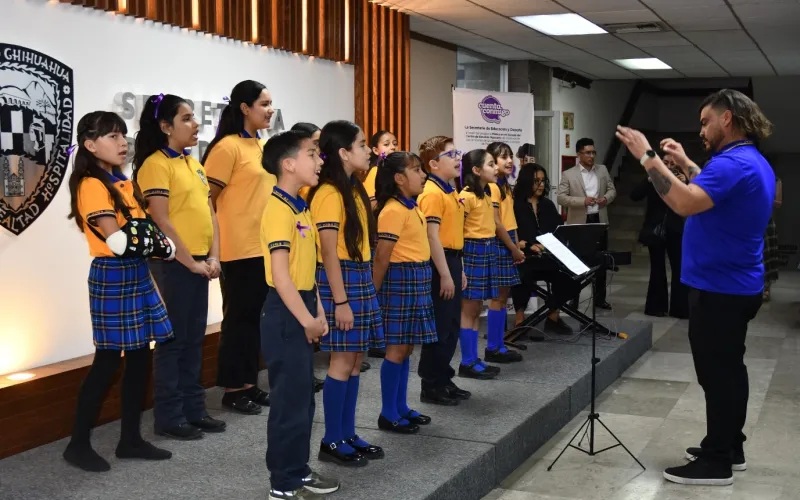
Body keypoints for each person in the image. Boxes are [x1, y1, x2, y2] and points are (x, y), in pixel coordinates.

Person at [616, 88, 775, 486]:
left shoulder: (732, 163)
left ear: (727, 119)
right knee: (727, 370)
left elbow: (686, 203)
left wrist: (646, 156)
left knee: (717, 375)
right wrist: (686, 163)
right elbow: (711, 195)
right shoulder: (748, 160)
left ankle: (717, 462)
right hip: (736, 283)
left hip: (721, 287)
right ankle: (728, 445)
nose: (701, 129)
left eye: (706, 121)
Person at [64, 111, 174, 472]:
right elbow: (119, 241)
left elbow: (140, 236)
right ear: (90, 144)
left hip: (135, 272)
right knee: (108, 361)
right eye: (112, 136)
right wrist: (152, 240)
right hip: (112, 274)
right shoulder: (90, 184)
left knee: (141, 356)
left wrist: (150, 240)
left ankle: (130, 439)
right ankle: (77, 444)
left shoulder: (122, 182)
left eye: (123, 134)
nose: (122, 142)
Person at [133, 94, 227, 440]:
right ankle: (169, 417)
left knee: (192, 340)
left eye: (193, 117)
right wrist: (191, 262)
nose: (195, 123)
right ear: (165, 126)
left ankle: (194, 409)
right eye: (186, 118)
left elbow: (210, 214)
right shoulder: (155, 164)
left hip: (200, 263)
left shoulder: (193, 163)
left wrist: (214, 256)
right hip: (173, 265)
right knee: (172, 342)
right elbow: (161, 220)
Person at [259, 130, 339, 500]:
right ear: (289, 164)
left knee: (303, 398)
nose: (320, 160)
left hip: (303, 302)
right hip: (284, 310)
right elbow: (280, 276)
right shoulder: (277, 209)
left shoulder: (300, 206)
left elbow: (308, 268)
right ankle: (283, 481)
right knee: (289, 399)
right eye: (312, 154)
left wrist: (318, 308)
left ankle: (297, 468)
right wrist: (305, 318)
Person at [308, 120, 384, 466]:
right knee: (341, 362)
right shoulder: (327, 194)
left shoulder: (353, 190)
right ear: (343, 152)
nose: (369, 150)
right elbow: (327, 254)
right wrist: (340, 301)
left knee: (354, 361)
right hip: (341, 281)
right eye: (363, 144)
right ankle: (331, 440)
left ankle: (347, 433)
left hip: (359, 275)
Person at [202, 80, 274, 414]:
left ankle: (250, 383)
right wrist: (212, 246)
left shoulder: (260, 146)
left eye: (271, 103)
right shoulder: (226, 147)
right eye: (263, 104)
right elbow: (208, 200)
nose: (269, 110)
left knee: (255, 321)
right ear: (244, 108)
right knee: (238, 321)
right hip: (236, 249)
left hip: (262, 248)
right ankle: (233, 388)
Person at [373, 152, 436, 434]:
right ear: (399, 178)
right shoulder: (392, 210)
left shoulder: (413, 206)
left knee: (407, 346)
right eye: (416, 170)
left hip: (418, 277)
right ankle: (388, 413)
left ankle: (400, 405)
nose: (422, 175)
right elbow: (382, 257)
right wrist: (372, 294)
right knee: (396, 349)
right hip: (400, 279)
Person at [416, 136, 471, 406]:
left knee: (451, 326)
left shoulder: (450, 191)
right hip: (440, 263)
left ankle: (443, 376)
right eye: (452, 154)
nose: (458, 158)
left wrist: (457, 269)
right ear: (434, 164)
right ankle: (431, 383)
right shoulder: (432, 193)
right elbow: (432, 236)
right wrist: (446, 274)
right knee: (439, 326)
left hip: (452, 259)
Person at [511, 163, 578, 334]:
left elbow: (559, 232)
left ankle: (552, 317)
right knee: (522, 275)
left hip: (548, 257)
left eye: (542, 181)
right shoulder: (514, 205)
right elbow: (511, 235)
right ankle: (520, 320)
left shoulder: (548, 205)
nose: (540, 185)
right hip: (524, 257)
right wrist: (527, 245)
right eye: (536, 181)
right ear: (527, 182)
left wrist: (549, 244)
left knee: (570, 278)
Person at [458, 149, 503, 380]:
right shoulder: (466, 197)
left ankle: (474, 358)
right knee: (468, 309)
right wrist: (462, 267)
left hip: (487, 249)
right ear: (476, 170)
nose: (496, 168)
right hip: (472, 251)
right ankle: (466, 361)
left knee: (476, 309)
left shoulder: (485, 195)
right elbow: (458, 232)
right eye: (490, 164)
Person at [556, 138, 616, 310]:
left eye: (593, 152)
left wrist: (605, 198)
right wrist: (582, 201)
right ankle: (573, 297)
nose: (591, 156)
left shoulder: (602, 170)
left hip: (599, 219)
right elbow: (561, 197)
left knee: (601, 260)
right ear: (579, 154)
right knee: (577, 261)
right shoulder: (569, 174)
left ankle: (599, 298)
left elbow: (612, 190)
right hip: (579, 222)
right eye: (587, 152)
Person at [630, 153, 689, 319]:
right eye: (665, 162)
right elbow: (634, 195)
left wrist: (684, 183)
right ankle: (656, 307)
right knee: (657, 268)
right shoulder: (652, 177)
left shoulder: (681, 180)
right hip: (655, 229)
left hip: (676, 228)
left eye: (672, 163)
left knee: (679, 268)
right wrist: (649, 179)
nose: (668, 166)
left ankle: (680, 309)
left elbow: (692, 199)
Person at [485, 142, 525, 363]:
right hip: (501, 243)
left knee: (503, 296)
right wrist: (512, 247)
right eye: (503, 158)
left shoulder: (505, 186)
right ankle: (493, 346)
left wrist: (517, 245)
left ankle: (499, 344)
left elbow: (511, 222)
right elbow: (497, 222)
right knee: (498, 298)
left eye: (510, 156)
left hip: (509, 241)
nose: (509, 161)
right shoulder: (492, 187)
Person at [363, 130, 398, 208]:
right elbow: (372, 205)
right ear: (375, 150)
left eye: (395, 144)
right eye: (386, 144)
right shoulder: (375, 171)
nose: (393, 147)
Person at [762, 175, 782, 302]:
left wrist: (765, 198)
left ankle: (767, 288)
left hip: (767, 221)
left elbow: (778, 203)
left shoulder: (776, 181)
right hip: (753, 220)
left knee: (768, 255)